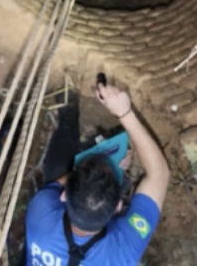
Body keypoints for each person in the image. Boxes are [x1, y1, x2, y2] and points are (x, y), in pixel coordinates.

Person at [24, 83, 171, 266]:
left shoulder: (40, 214)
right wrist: (125, 114)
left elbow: (160, 175)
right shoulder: (121, 252)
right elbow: (160, 174)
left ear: (64, 195)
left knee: (57, 169)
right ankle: (101, 139)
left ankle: (68, 121)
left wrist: (96, 175)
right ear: (118, 206)